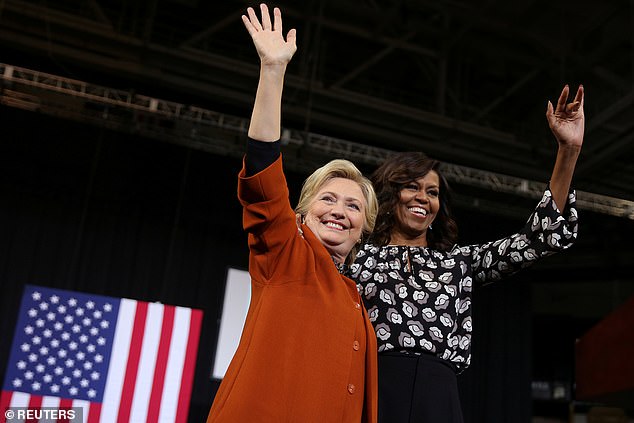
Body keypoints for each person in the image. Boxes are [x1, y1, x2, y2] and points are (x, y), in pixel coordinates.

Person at [351, 84, 584, 423]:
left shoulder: (458, 263)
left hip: (439, 397)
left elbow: (538, 238)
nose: (423, 198)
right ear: (390, 193)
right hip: (374, 388)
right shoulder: (358, 256)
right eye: (412, 187)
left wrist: (568, 150)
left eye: (432, 192)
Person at [207, 4, 378, 422]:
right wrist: (273, 71)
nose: (339, 210)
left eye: (353, 205)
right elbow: (264, 173)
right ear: (300, 215)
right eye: (327, 199)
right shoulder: (286, 253)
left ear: (364, 230)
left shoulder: (355, 298)